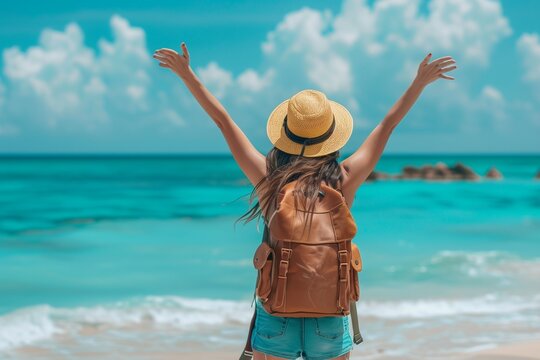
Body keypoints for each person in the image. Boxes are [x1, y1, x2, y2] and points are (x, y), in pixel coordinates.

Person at [152, 43, 457, 360]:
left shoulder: (269, 180)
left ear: (285, 133)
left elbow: (223, 121)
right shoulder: (344, 177)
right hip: (330, 317)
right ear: (331, 135)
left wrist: (186, 75)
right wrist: (419, 82)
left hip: (276, 317)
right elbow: (387, 126)